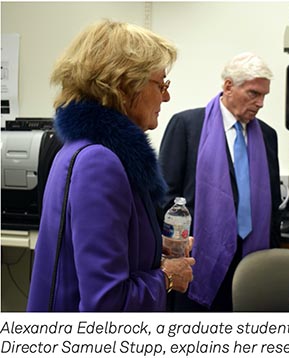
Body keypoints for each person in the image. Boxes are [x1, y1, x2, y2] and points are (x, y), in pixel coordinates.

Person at [27, 19, 195, 312]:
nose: (166, 96)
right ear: (124, 85)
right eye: (161, 84)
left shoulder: (79, 148)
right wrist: (168, 276)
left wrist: (156, 250)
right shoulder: (99, 163)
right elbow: (106, 303)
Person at [158, 52, 282, 311]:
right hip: (198, 257)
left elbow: (271, 205)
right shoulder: (187, 125)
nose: (260, 103)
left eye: (263, 96)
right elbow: (164, 196)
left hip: (250, 257)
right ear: (228, 86)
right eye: (253, 93)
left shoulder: (268, 136)